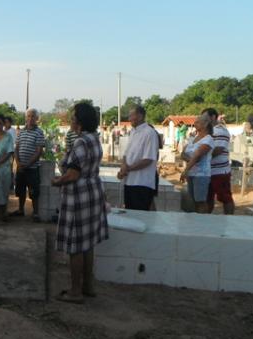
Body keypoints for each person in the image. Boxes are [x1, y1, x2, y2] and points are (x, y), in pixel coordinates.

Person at [52, 103, 108, 304]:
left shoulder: (80, 142)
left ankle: (75, 292)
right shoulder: (95, 139)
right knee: (88, 243)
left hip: (78, 196)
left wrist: (57, 181)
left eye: (74, 116)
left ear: (80, 121)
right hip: (93, 192)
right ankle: (88, 286)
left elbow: (73, 174)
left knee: (75, 246)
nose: (71, 119)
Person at [117, 105, 159, 211]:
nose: (129, 118)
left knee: (141, 215)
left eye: (132, 115)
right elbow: (126, 154)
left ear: (140, 116)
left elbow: (148, 159)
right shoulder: (133, 132)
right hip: (129, 181)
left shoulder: (149, 133)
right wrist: (123, 167)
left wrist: (128, 168)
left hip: (142, 183)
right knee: (130, 213)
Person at [12, 108, 45, 221]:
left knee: (33, 191)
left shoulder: (39, 132)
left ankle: (35, 213)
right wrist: (18, 163)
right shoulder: (21, 131)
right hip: (21, 167)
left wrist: (28, 164)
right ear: (26, 118)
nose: (30, 118)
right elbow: (16, 148)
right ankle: (21, 210)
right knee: (20, 189)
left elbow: (39, 151)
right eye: (28, 116)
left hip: (32, 168)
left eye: (33, 116)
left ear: (37, 118)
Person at [181, 114, 214, 213]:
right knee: (193, 201)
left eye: (198, 122)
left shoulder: (208, 139)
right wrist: (193, 159)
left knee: (200, 201)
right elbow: (183, 154)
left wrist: (186, 170)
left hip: (201, 175)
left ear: (205, 124)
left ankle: (203, 222)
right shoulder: (193, 138)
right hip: (192, 173)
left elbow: (198, 156)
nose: (195, 123)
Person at [203, 108, 235, 214]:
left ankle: (229, 219)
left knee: (225, 197)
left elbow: (218, 150)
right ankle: (206, 220)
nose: (203, 120)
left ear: (213, 117)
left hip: (220, 171)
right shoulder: (208, 131)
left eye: (205, 117)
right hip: (209, 170)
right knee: (208, 198)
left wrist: (200, 155)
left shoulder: (221, 131)